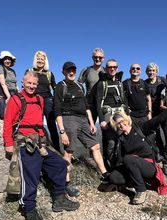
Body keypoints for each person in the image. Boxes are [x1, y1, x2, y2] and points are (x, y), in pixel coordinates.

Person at [3, 71, 79, 220]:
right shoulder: (16, 99)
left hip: (39, 140)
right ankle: (29, 212)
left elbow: (39, 123)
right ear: (23, 83)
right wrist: (8, 144)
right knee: (31, 176)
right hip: (25, 141)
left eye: (34, 84)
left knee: (58, 163)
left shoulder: (40, 99)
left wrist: (44, 140)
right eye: (28, 83)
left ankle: (59, 198)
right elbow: (8, 122)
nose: (31, 86)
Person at [107, 103, 167, 205]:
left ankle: (141, 190)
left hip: (149, 167)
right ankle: (138, 179)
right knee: (114, 177)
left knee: (128, 159)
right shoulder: (121, 139)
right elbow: (120, 159)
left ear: (126, 119)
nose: (121, 125)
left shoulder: (140, 128)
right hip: (134, 165)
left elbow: (159, 118)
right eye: (118, 124)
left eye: (122, 121)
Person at [54, 61, 109, 197]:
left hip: (83, 119)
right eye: (68, 70)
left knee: (95, 146)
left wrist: (91, 122)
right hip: (68, 119)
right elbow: (57, 110)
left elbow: (86, 106)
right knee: (69, 152)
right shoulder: (61, 86)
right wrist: (62, 131)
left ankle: (105, 174)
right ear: (63, 72)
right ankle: (67, 183)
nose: (71, 72)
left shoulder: (79, 85)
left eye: (73, 70)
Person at [95, 59, 128, 169]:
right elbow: (98, 102)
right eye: (110, 67)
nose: (112, 69)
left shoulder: (119, 83)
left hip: (120, 113)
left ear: (117, 68)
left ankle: (122, 164)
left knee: (123, 138)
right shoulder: (102, 83)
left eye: (114, 67)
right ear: (106, 69)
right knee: (111, 142)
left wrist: (127, 115)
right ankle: (109, 166)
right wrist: (101, 120)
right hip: (108, 114)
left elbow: (124, 100)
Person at [25, 51, 60, 152]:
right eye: (38, 58)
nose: (40, 60)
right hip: (34, 100)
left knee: (51, 124)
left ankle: (57, 149)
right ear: (35, 60)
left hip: (48, 99)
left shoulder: (49, 74)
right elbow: (25, 85)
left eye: (42, 59)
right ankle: (39, 147)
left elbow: (55, 88)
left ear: (45, 61)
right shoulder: (30, 71)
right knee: (37, 124)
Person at [144, 62, 167, 160]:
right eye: (149, 70)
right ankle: (159, 153)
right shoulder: (144, 83)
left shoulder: (162, 81)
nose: (151, 72)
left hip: (163, 110)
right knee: (155, 133)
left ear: (156, 71)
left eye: (153, 70)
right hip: (152, 111)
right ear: (146, 72)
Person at [78, 48, 106, 123]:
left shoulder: (106, 71)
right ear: (92, 58)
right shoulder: (86, 70)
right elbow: (78, 86)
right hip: (90, 104)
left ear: (103, 59)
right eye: (95, 57)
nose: (97, 59)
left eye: (100, 57)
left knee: (106, 129)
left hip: (104, 104)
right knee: (89, 128)